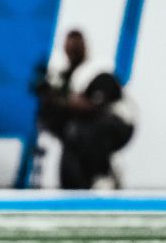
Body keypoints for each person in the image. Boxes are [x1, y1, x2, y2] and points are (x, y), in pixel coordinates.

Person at [34, 30, 135, 189]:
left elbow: (93, 106)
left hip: (117, 124)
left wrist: (63, 101)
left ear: (84, 46)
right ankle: (75, 188)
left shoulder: (97, 69)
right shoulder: (63, 74)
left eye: (76, 44)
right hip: (83, 129)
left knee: (89, 130)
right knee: (72, 139)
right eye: (69, 45)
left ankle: (103, 174)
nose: (72, 49)